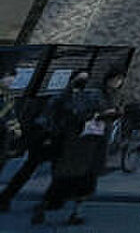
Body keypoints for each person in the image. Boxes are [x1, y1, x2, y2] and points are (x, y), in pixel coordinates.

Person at [31, 70, 110, 226]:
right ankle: (46, 207)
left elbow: (100, 114)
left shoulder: (93, 96)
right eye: (80, 78)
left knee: (85, 181)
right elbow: (50, 119)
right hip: (68, 146)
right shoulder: (62, 98)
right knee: (63, 182)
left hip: (88, 146)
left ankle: (76, 212)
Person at [0, 73, 63, 213]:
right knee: (32, 168)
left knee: (32, 168)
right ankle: (50, 200)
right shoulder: (54, 96)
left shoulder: (50, 94)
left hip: (49, 136)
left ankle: (7, 197)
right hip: (46, 136)